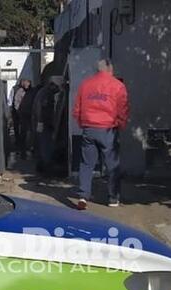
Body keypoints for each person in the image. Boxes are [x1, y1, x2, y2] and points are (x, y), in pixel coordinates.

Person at [72, 58, 129, 210]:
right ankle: (113, 198)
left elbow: (77, 108)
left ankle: (83, 196)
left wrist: (82, 123)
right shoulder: (118, 86)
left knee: (86, 164)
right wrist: (121, 125)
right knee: (112, 165)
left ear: (98, 69)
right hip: (108, 129)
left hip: (89, 128)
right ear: (110, 69)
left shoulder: (86, 84)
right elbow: (122, 109)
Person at [32, 76, 63, 174]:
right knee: (45, 146)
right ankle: (45, 168)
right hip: (44, 123)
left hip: (41, 122)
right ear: (53, 86)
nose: (57, 91)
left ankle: (42, 166)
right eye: (57, 88)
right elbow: (41, 109)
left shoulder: (42, 92)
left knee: (42, 145)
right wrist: (41, 122)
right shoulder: (46, 94)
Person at [11, 79, 31, 156]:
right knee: (21, 132)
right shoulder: (19, 91)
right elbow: (16, 104)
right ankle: (21, 149)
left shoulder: (27, 91)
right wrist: (19, 113)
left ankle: (22, 149)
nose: (28, 85)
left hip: (24, 115)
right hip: (21, 115)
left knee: (23, 132)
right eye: (27, 83)